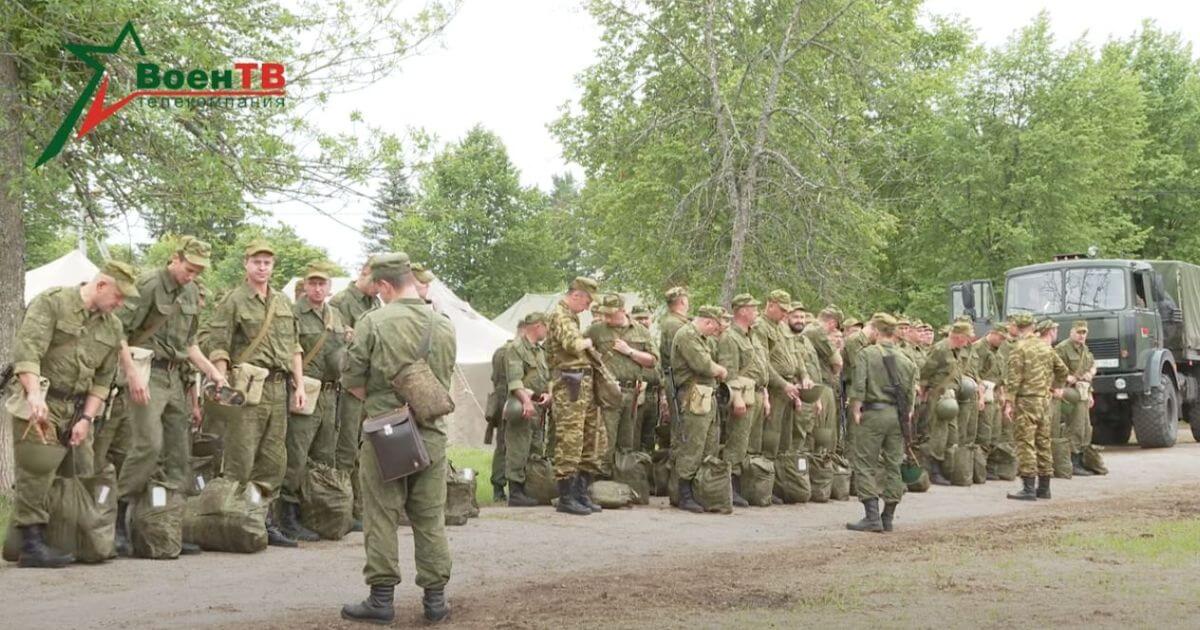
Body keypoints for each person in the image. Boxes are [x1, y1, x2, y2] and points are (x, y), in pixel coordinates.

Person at [339, 253, 453, 624]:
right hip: (432, 434)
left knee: (381, 516)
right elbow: (442, 381)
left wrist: (381, 402)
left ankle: (382, 600)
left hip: (387, 435)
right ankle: (435, 601)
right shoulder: (443, 324)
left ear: (385, 286)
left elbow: (352, 381)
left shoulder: (372, 321)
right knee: (431, 518)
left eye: (378, 289)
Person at [8, 261, 138, 568]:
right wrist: (35, 395)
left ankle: (66, 538)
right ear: (102, 285)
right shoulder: (54, 303)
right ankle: (31, 545)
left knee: (79, 473)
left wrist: (86, 419)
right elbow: (27, 352)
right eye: (118, 296)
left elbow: (103, 380)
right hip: (43, 400)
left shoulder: (112, 326)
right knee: (37, 473)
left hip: (78, 409)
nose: (119, 304)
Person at [110, 237, 225, 557]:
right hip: (145, 369)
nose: (192, 275)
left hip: (175, 375)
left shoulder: (191, 292)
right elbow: (117, 331)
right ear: (174, 259)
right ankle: (119, 515)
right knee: (148, 444)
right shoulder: (148, 284)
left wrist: (212, 372)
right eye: (189, 268)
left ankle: (166, 524)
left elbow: (190, 345)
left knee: (178, 453)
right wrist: (131, 373)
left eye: (198, 270)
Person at [203, 239, 307, 547]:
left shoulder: (283, 302)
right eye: (257, 262)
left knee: (272, 460)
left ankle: (260, 519)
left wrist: (299, 385)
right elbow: (218, 343)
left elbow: (294, 348)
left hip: (278, 388)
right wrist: (222, 381)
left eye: (267, 263)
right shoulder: (234, 300)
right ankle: (233, 521)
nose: (262, 268)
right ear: (246, 264)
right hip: (247, 388)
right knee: (240, 457)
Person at [279, 261, 347, 542]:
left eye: (322, 284)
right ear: (305, 285)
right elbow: (286, 351)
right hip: (305, 391)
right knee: (296, 455)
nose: (317, 288)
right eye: (313, 283)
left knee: (324, 456)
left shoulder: (336, 315)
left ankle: (316, 513)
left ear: (330, 287)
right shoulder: (294, 314)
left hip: (331, 394)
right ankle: (287, 517)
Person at [846, 313, 916, 533]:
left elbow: (859, 385)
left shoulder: (866, 354)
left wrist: (856, 409)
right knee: (893, 464)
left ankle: (871, 516)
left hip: (873, 414)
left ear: (876, 331)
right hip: (897, 416)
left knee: (865, 463)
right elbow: (911, 396)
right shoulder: (907, 359)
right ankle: (888, 517)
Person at [330, 258, 382, 531]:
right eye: (376, 281)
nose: (380, 288)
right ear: (363, 273)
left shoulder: (375, 304)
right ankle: (344, 508)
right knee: (347, 447)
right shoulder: (341, 302)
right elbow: (337, 342)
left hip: (370, 384)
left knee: (367, 448)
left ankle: (363, 506)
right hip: (350, 385)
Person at [545, 277, 604, 516]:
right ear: (577, 294)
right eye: (587, 301)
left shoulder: (572, 316)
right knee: (570, 438)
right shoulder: (560, 315)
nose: (588, 307)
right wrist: (589, 341)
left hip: (581, 381)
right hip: (570, 382)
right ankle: (566, 496)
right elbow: (573, 344)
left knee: (589, 437)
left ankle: (580, 492)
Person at [586, 294, 658, 476]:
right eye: (604, 314)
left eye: (610, 314)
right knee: (605, 441)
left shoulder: (641, 331)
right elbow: (579, 353)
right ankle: (601, 483)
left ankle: (623, 483)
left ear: (623, 311)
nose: (606, 318)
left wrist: (630, 351)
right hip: (607, 392)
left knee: (628, 442)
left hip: (633, 392)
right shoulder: (596, 331)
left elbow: (653, 360)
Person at [670, 305, 729, 513]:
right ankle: (683, 493)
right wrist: (720, 370)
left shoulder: (701, 337)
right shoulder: (687, 335)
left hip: (705, 394)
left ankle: (700, 490)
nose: (715, 332)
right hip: (692, 394)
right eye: (715, 328)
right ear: (708, 322)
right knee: (692, 445)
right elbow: (703, 365)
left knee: (708, 445)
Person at [1003, 314, 1068, 501]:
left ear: (1018, 327)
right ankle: (1045, 487)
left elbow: (1014, 380)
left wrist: (1009, 402)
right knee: (1043, 442)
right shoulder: (1045, 347)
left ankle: (1029, 487)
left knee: (1025, 443)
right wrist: (1056, 387)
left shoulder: (1019, 348)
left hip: (1026, 401)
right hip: (1044, 401)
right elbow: (1062, 370)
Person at [716, 294, 771, 507]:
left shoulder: (752, 335)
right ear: (742, 311)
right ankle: (731, 487)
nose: (757, 311)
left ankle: (749, 486)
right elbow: (729, 372)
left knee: (752, 443)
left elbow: (761, 367)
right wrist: (737, 397)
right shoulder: (730, 337)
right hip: (742, 395)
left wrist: (765, 395)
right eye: (753, 307)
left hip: (757, 393)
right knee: (737, 443)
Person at [503, 312, 550, 507]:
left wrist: (548, 393)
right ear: (538, 326)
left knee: (535, 446)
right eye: (546, 327)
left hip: (538, 404)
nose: (548, 331)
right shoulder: (516, 348)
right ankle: (515, 491)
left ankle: (533, 487)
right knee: (518, 446)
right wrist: (527, 402)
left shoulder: (539, 351)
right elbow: (515, 381)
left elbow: (544, 376)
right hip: (522, 404)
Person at [918, 320, 971, 485]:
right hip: (939, 395)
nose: (968, 340)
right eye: (966, 337)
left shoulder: (959, 350)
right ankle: (933, 469)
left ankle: (946, 467)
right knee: (938, 433)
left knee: (951, 434)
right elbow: (926, 370)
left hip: (951, 396)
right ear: (958, 336)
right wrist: (924, 391)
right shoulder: (941, 349)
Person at [755, 291, 804, 459]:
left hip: (789, 388)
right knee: (771, 437)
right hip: (774, 389)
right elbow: (762, 362)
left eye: (786, 311)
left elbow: (793, 355)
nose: (785, 314)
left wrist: (801, 378)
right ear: (770, 304)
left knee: (785, 440)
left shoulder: (782, 327)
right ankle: (767, 477)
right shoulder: (759, 326)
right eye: (782, 309)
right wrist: (783, 384)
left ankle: (782, 477)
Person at [1056, 320, 1096, 476]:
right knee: (1075, 426)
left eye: (1084, 332)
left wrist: (1090, 391)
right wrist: (1068, 378)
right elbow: (1055, 369)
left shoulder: (1085, 350)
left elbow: (1089, 370)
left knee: (1086, 427)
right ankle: (1072, 462)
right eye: (1078, 332)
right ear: (1071, 332)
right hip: (1068, 393)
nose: (1081, 335)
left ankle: (1080, 460)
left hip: (1083, 393)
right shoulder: (1062, 349)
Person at [974, 327, 1007, 480]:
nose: (1003, 340)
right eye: (1001, 337)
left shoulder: (998, 351)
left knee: (995, 431)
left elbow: (1001, 374)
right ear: (992, 334)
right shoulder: (979, 348)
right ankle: (981, 466)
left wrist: (1002, 393)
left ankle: (990, 467)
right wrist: (980, 396)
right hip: (984, 392)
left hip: (994, 392)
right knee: (984, 431)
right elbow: (975, 373)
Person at [630, 304, 662, 453]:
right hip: (638, 393)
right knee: (633, 438)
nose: (643, 321)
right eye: (639, 318)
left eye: (646, 318)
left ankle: (646, 470)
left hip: (654, 394)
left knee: (649, 439)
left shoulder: (651, 339)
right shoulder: (629, 339)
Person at [487, 332, 513, 502]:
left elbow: (494, 378)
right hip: (508, 400)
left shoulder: (499, 351)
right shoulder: (511, 352)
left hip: (500, 400)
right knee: (506, 445)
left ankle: (498, 487)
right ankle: (500, 487)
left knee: (502, 445)